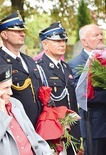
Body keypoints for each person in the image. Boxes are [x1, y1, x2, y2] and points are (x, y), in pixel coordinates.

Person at [0, 64, 52, 155]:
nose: (11, 93)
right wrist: (1, 107)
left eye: (10, 87)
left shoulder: (15, 103)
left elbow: (31, 134)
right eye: (6, 88)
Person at [0, 10, 42, 126]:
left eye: (23, 31)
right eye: (17, 31)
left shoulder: (29, 60)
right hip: (16, 125)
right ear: (4, 35)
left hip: (38, 126)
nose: (23, 34)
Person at [36, 21, 81, 155]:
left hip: (70, 131)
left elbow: (71, 101)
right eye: (57, 41)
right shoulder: (39, 68)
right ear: (45, 44)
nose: (62, 44)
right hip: (52, 131)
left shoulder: (66, 67)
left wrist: (76, 131)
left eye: (64, 40)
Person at [68, 24, 106, 155]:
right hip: (94, 127)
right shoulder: (76, 64)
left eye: (101, 34)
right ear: (84, 42)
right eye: (96, 35)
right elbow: (84, 96)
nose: (101, 37)